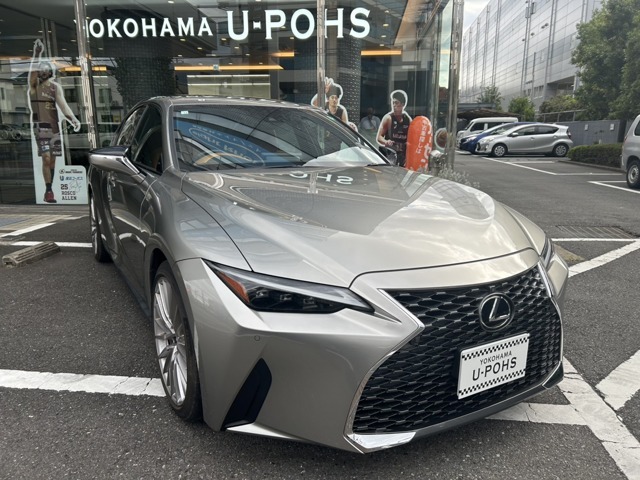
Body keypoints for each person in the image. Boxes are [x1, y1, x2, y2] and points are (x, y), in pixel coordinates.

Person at [29, 39, 81, 203]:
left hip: (54, 127)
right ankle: (48, 190)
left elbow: (63, 105)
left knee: (52, 160)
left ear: (50, 72)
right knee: (45, 158)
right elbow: (32, 73)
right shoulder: (34, 87)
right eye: (41, 70)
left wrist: (73, 119)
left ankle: (49, 188)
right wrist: (37, 54)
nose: (43, 72)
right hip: (40, 126)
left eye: (46, 69)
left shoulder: (55, 87)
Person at [377, 90, 412, 167]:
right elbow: (379, 137)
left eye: (396, 103)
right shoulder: (388, 118)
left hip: (403, 156)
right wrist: (386, 141)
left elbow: (412, 138)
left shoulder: (408, 119)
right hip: (390, 155)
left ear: (402, 104)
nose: (394, 105)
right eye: (393, 102)